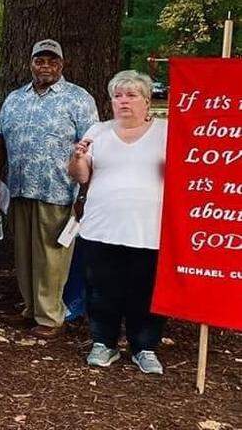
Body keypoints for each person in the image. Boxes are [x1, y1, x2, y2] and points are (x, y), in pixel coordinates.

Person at [0, 39, 98, 337]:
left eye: (52, 60)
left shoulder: (78, 98)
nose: (45, 66)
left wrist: (85, 193)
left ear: (61, 64)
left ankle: (50, 317)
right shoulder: (15, 99)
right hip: (20, 188)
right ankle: (31, 308)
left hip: (59, 191)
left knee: (52, 257)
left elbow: (91, 148)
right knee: (24, 255)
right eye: (40, 60)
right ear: (31, 64)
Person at [68, 70, 167, 374]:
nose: (123, 101)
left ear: (147, 101)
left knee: (145, 290)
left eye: (131, 95)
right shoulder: (97, 131)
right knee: (101, 289)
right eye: (117, 96)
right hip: (101, 226)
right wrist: (77, 158)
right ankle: (103, 343)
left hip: (149, 229)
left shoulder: (166, 131)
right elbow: (81, 176)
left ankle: (144, 347)